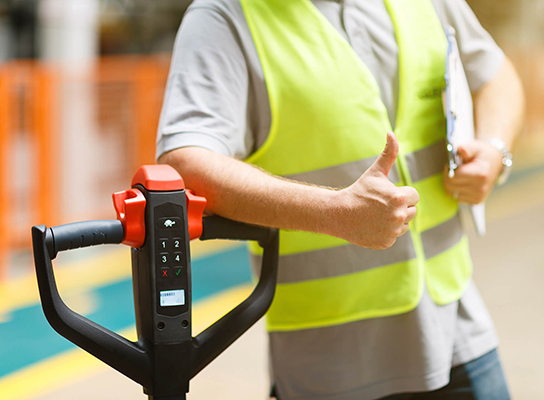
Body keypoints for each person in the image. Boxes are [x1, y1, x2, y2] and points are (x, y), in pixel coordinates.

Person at [157, 0, 525, 399]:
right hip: (332, 367)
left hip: (459, 333)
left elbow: (495, 73)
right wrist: (335, 213)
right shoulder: (226, 15)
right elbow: (187, 161)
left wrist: (494, 149)